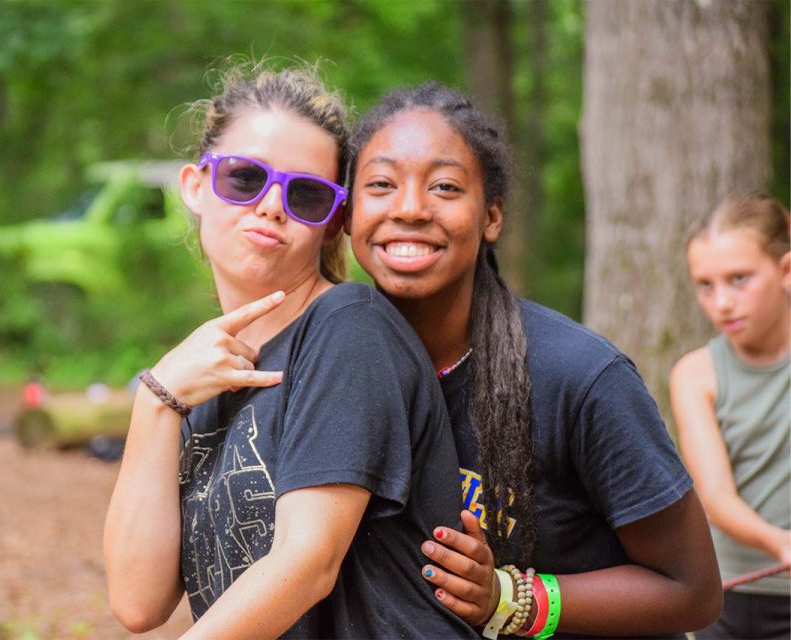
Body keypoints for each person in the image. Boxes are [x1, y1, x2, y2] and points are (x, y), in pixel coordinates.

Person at [103, 65, 474, 639]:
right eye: (245, 178)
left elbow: (307, 565)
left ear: (331, 225)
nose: (273, 205)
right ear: (195, 186)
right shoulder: (200, 372)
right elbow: (138, 601)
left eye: (306, 194)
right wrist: (156, 402)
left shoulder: (348, 329)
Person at [346, 81, 723, 638]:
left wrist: (509, 598)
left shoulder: (580, 377)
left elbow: (692, 591)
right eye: (380, 184)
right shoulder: (339, 371)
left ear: (491, 217)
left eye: (445, 187)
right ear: (348, 211)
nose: (409, 208)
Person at [670, 194, 790, 640]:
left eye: (739, 279)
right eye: (706, 285)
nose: (722, 302)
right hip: (727, 597)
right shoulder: (696, 373)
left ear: (786, 271)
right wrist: (780, 541)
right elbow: (716, 497)